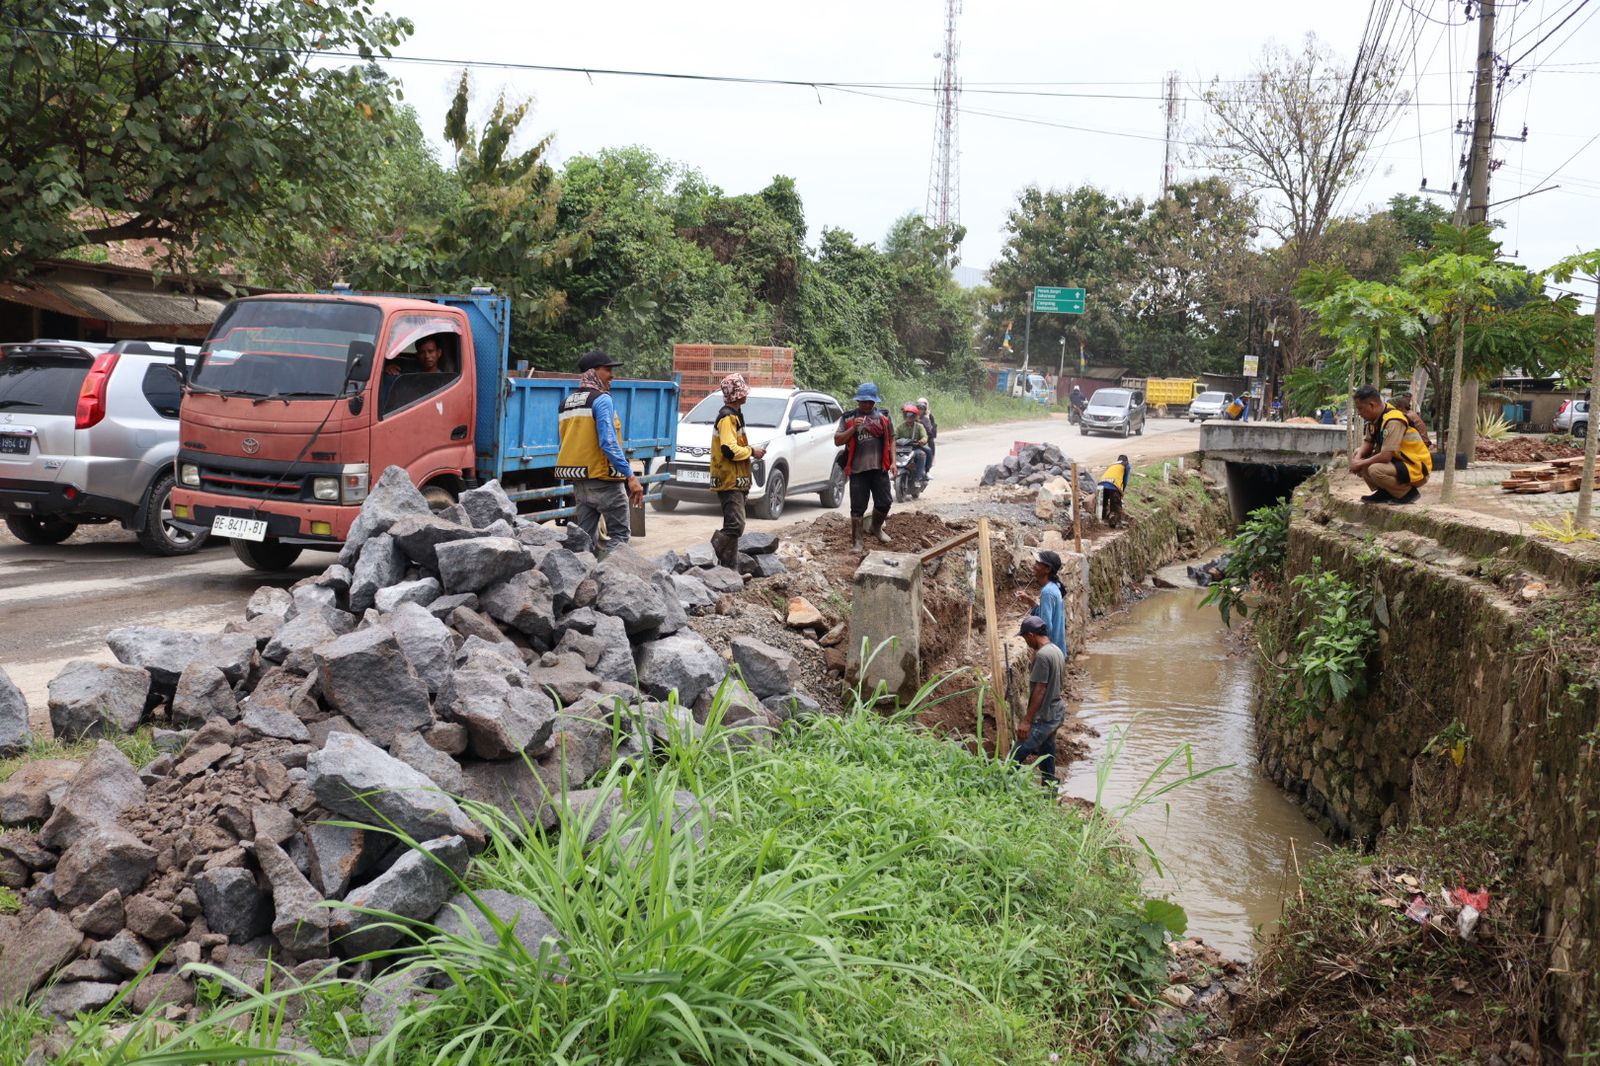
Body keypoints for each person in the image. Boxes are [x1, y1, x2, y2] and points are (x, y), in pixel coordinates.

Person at [555, 350, 644, 552]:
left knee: (583, 539)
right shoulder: (602, 400)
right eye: (607, 370)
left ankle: (582, 577)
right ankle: (610, 579)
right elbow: (608, 443)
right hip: (604, 481)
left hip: (580, 482)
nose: (612, 375)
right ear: (593, 372)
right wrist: (630, 476)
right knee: (620, 536)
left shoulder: (565, 404)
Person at [708, 373, 765, 570]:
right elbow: (728, 449)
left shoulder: (734, 415)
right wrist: (752, 451)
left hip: (734, 478)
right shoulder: (727, 417)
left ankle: (729, 568)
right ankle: (709, 556)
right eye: (742, 392)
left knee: (734, 525)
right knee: (735, 525)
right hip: (728, 478)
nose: (745, 395)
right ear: (736, 395)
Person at [834, 382, 895, 549]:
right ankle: (857, 541)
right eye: (864, 401)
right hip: (857, 469)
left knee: (885, 502)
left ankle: (876, 528)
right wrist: (853, 428)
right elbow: (837, 440)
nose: (867, 405)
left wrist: (894, 462)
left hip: (879, 468)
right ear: (858, 401)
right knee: (858, 507)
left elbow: (891, 439)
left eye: (870, 402)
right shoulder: (848, 418)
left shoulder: (883, 418)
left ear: (875, 402)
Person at [1350, 384, 1431, 504]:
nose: (1359, 413)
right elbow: (1368, 441)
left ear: (1372, 405)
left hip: (1416, 466)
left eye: (1360, 408)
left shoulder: (1393, 420)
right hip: (1398, 463)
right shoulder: (1375, 420)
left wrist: (1360, 463)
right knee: (1359, 452)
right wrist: (1357, 459)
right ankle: (1386, 492)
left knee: (1375, 469)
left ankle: (1406, 493)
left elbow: (1385, 456)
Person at [1011, 615, 1066, 789]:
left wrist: (1027, 721)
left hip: (1044, 717)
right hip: (1056, 711)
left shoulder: (1042, 656)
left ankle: (1003, 791)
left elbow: (1040, 689)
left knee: (1016, 755)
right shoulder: (1056, 650)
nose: (1026, 642)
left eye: (1025, 637)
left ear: (1031, 635)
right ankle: (1050, 793)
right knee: (1047, 755)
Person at [1013, 549, 1067, 655]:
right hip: (1057, 651)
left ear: (1047, 569)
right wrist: (1030, 601)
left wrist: (1039, 652)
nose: (1034, 566)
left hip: (1050, 653)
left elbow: (1044, 626)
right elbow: (1046, 617)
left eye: (1038, 563)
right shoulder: (1054, 587)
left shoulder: (1048, 592)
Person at [899, 403, 930, 485]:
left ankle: (918, 478)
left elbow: (924, 436)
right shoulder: (900, 427)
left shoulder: (919, 426)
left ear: (915, 416)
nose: (909, 417)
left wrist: (922, 441)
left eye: (911, 415)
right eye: (907, 414)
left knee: (922, 454)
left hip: (915, 449)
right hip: (902, 449)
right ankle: (895, 472)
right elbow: (894, 437)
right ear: (904, 415)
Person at [1099, 453, 1130, 528]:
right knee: (1116, 506)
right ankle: (1115, 523)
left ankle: (1102, 520)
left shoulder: (1113, 465)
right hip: (1113, 486)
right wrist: (1122, 491)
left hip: (1101, 485)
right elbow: (1125, 480)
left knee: (1103, 504)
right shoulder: (1126, 465)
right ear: (1126, 460)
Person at [916, 397, 938, 472]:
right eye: (918, 407)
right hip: (914, 438)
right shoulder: (913, 416)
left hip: (926, 437)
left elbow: (932, 431)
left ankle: (927, 469)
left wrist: (927, 419)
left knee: (930, 444)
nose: (920, 410)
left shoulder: (929, 417)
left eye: (922, 407)